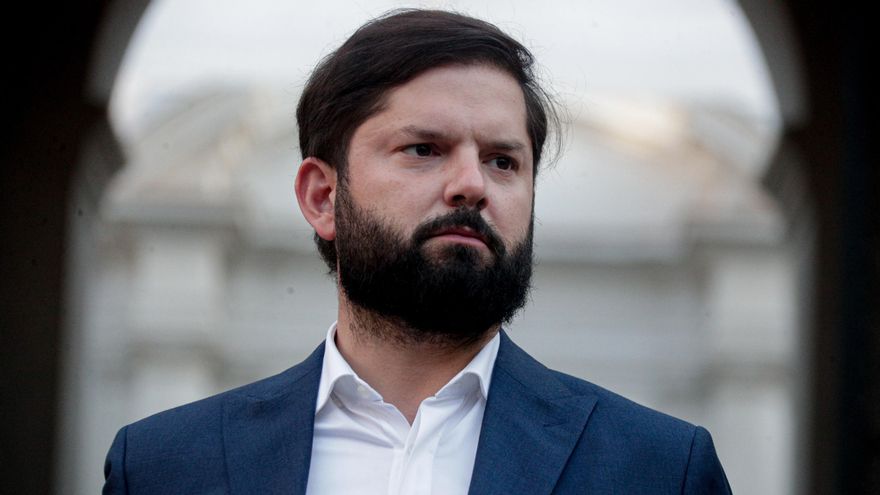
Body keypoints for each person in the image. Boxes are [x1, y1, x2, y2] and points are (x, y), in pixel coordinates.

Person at [103, 9, 732, 494]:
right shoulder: (165, 465)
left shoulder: (657, 469)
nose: (472, 184)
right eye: (424, 149)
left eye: (503, 160)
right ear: (323, 196)